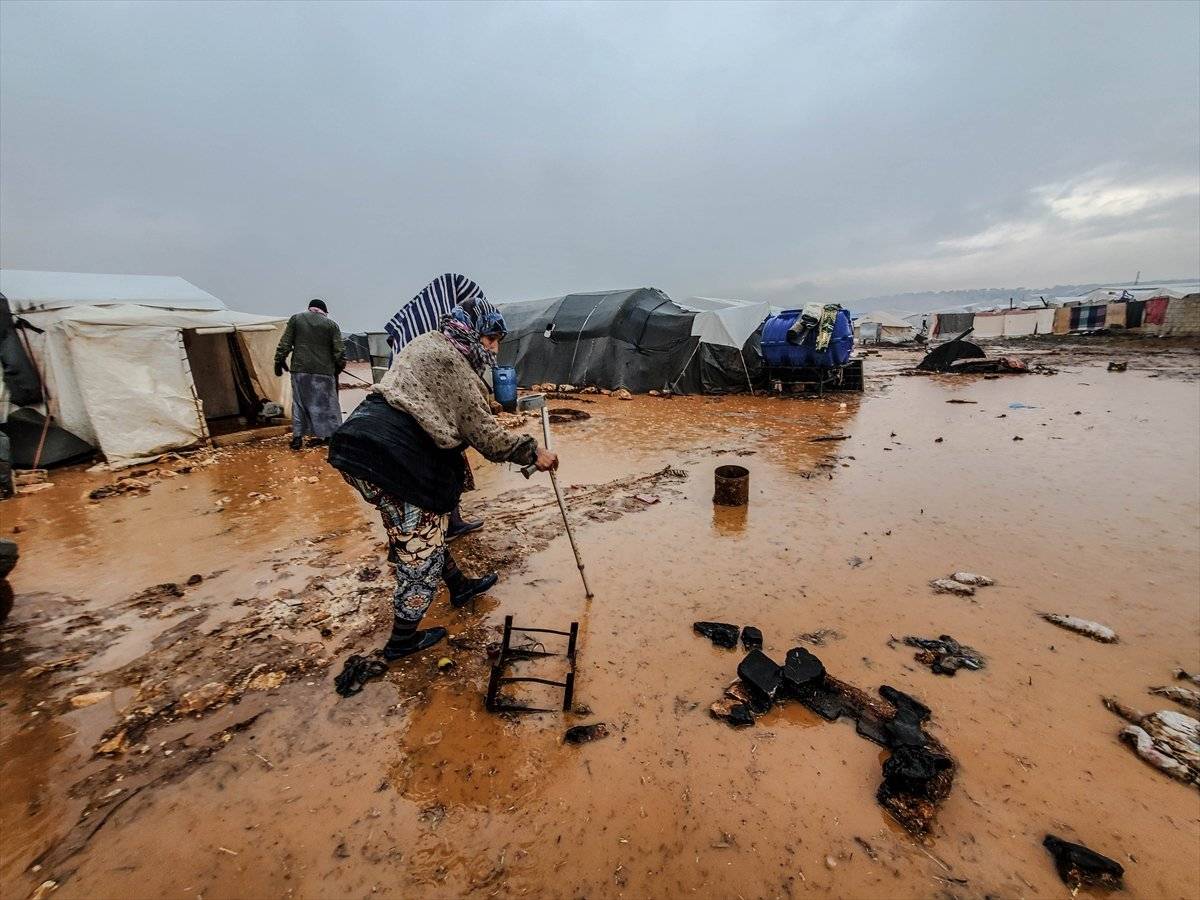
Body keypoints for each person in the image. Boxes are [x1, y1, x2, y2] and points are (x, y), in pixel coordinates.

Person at [328, 295, 557, 660]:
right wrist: (533, 452)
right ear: (470, 332)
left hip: (360, 444)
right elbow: (487, 437)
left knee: (426, 528)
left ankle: (460, 585)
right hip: (389, 456)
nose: (494, 348)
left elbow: (438, 402)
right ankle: (401, 641)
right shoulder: (454, 366)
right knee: (419, 551)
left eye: (497, 339)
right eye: (490, 338)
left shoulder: (426, 342)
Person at [384, 273, 492, 541]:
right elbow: (482, 431)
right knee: (438, 473)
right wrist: (530, 451)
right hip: (416, 422)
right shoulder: (443, 343)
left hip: (402, 421)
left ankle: (422, 538)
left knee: (423, 484)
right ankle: (432, 535)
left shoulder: (418, 325)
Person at [274, 298, 346, 451]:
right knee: (328, 406)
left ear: (310, 308)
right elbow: (339, 351)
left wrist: (279, 360)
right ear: (324, 311)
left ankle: (297, 439)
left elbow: (285, 342)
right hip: (325, 372)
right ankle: (330, 437)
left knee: (299, 404)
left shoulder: (296, 319)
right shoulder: (331, 325)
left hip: (300, 370)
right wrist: (339, 367)